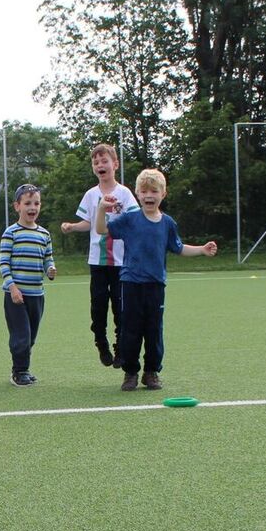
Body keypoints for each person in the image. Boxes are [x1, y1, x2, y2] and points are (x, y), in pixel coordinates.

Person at [93, 168, 218, 392]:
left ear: (163, 194)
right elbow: (101, 229)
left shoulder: (168, 223)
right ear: (137, 194)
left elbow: (178, 248)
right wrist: (102, 208)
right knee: (130, 330)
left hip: (156, 286)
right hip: (131, 284)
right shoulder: (129, 219)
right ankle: (131, 372)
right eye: (144, 191)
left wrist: (201, 249)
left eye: (154, 191)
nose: (149, 195)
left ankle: (151, 372)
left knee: (153, 331)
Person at [61, 143, 137, 367]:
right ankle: (101, 342)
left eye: (104, 161)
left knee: (121, 306)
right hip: (97, 261)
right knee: (98, 306)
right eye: (96, 162)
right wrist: (73, 226)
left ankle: (120, 347)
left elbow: (134, 219)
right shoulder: (91, 194)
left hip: (121, 261)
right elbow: (88, 222)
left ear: (115, 164)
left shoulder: (124, 193)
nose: (100, 165)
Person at [0, 184, 56, 386]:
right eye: (27, 203)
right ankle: (20, 371)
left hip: (37, 295)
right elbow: (4, 264)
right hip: (16, 296)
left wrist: (50, 269)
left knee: (30, 336)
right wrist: (12, 287)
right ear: (17, 206)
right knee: (21, 335)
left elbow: (48, 259)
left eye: (36, 203)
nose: (32, 207)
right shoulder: (11, 233)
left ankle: (23, 368)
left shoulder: (44, 234)